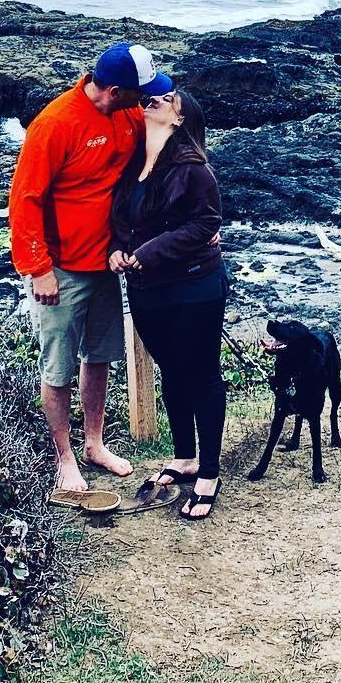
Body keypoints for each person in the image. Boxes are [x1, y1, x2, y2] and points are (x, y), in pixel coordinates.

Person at [9, 41, 174, 493]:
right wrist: (37, 267)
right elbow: (24, 200)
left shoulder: (125, 114)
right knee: (57, 365)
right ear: (117, 89)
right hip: (60, 269)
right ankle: (65, 457)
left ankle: (94, 444)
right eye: (141, 92)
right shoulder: (55, 124)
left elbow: (154, 155)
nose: (146, 99)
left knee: (99, 354)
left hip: (106, 261)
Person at [109, 86, 227, 521]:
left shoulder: (194, 169)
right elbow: (123, 220)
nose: (157, 99)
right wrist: (118, 249)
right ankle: (184, 457)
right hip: (146, 290)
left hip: (194, 286)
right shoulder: (133, 164)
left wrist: (150, 252)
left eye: (170, 99)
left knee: (201, 374)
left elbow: (205, 223)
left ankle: (209, 473)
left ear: (179, 119)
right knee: (172, 371)